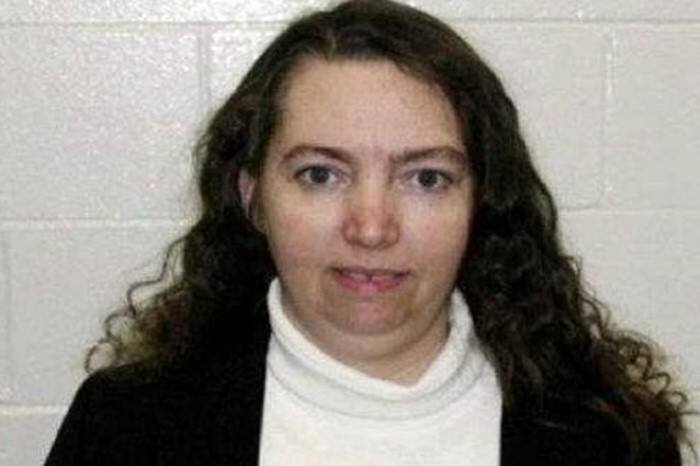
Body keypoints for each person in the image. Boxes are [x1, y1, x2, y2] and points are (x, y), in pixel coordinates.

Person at [45, 0, 691, 465]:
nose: (372, 227)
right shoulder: (126, 431)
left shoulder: (608, 439)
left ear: (481, 202)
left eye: (426, 178)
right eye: (321, 175)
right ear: (252, 197)